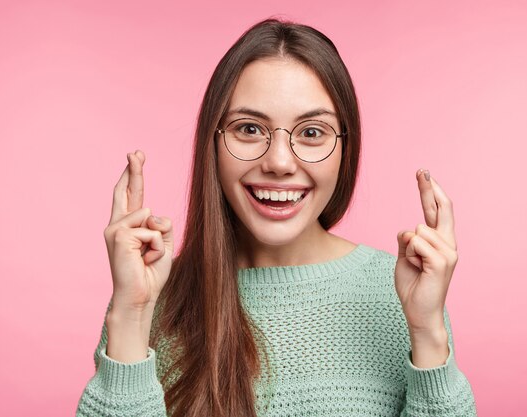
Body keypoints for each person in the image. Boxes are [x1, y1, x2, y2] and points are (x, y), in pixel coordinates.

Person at [76, 17, 477, 417]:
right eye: (249, 128)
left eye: (312, 132)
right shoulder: (152, 302)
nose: (280, 162)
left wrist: (426, 330)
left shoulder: (403, 298)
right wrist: (130, 313)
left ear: (345, 149)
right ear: (212, 143)